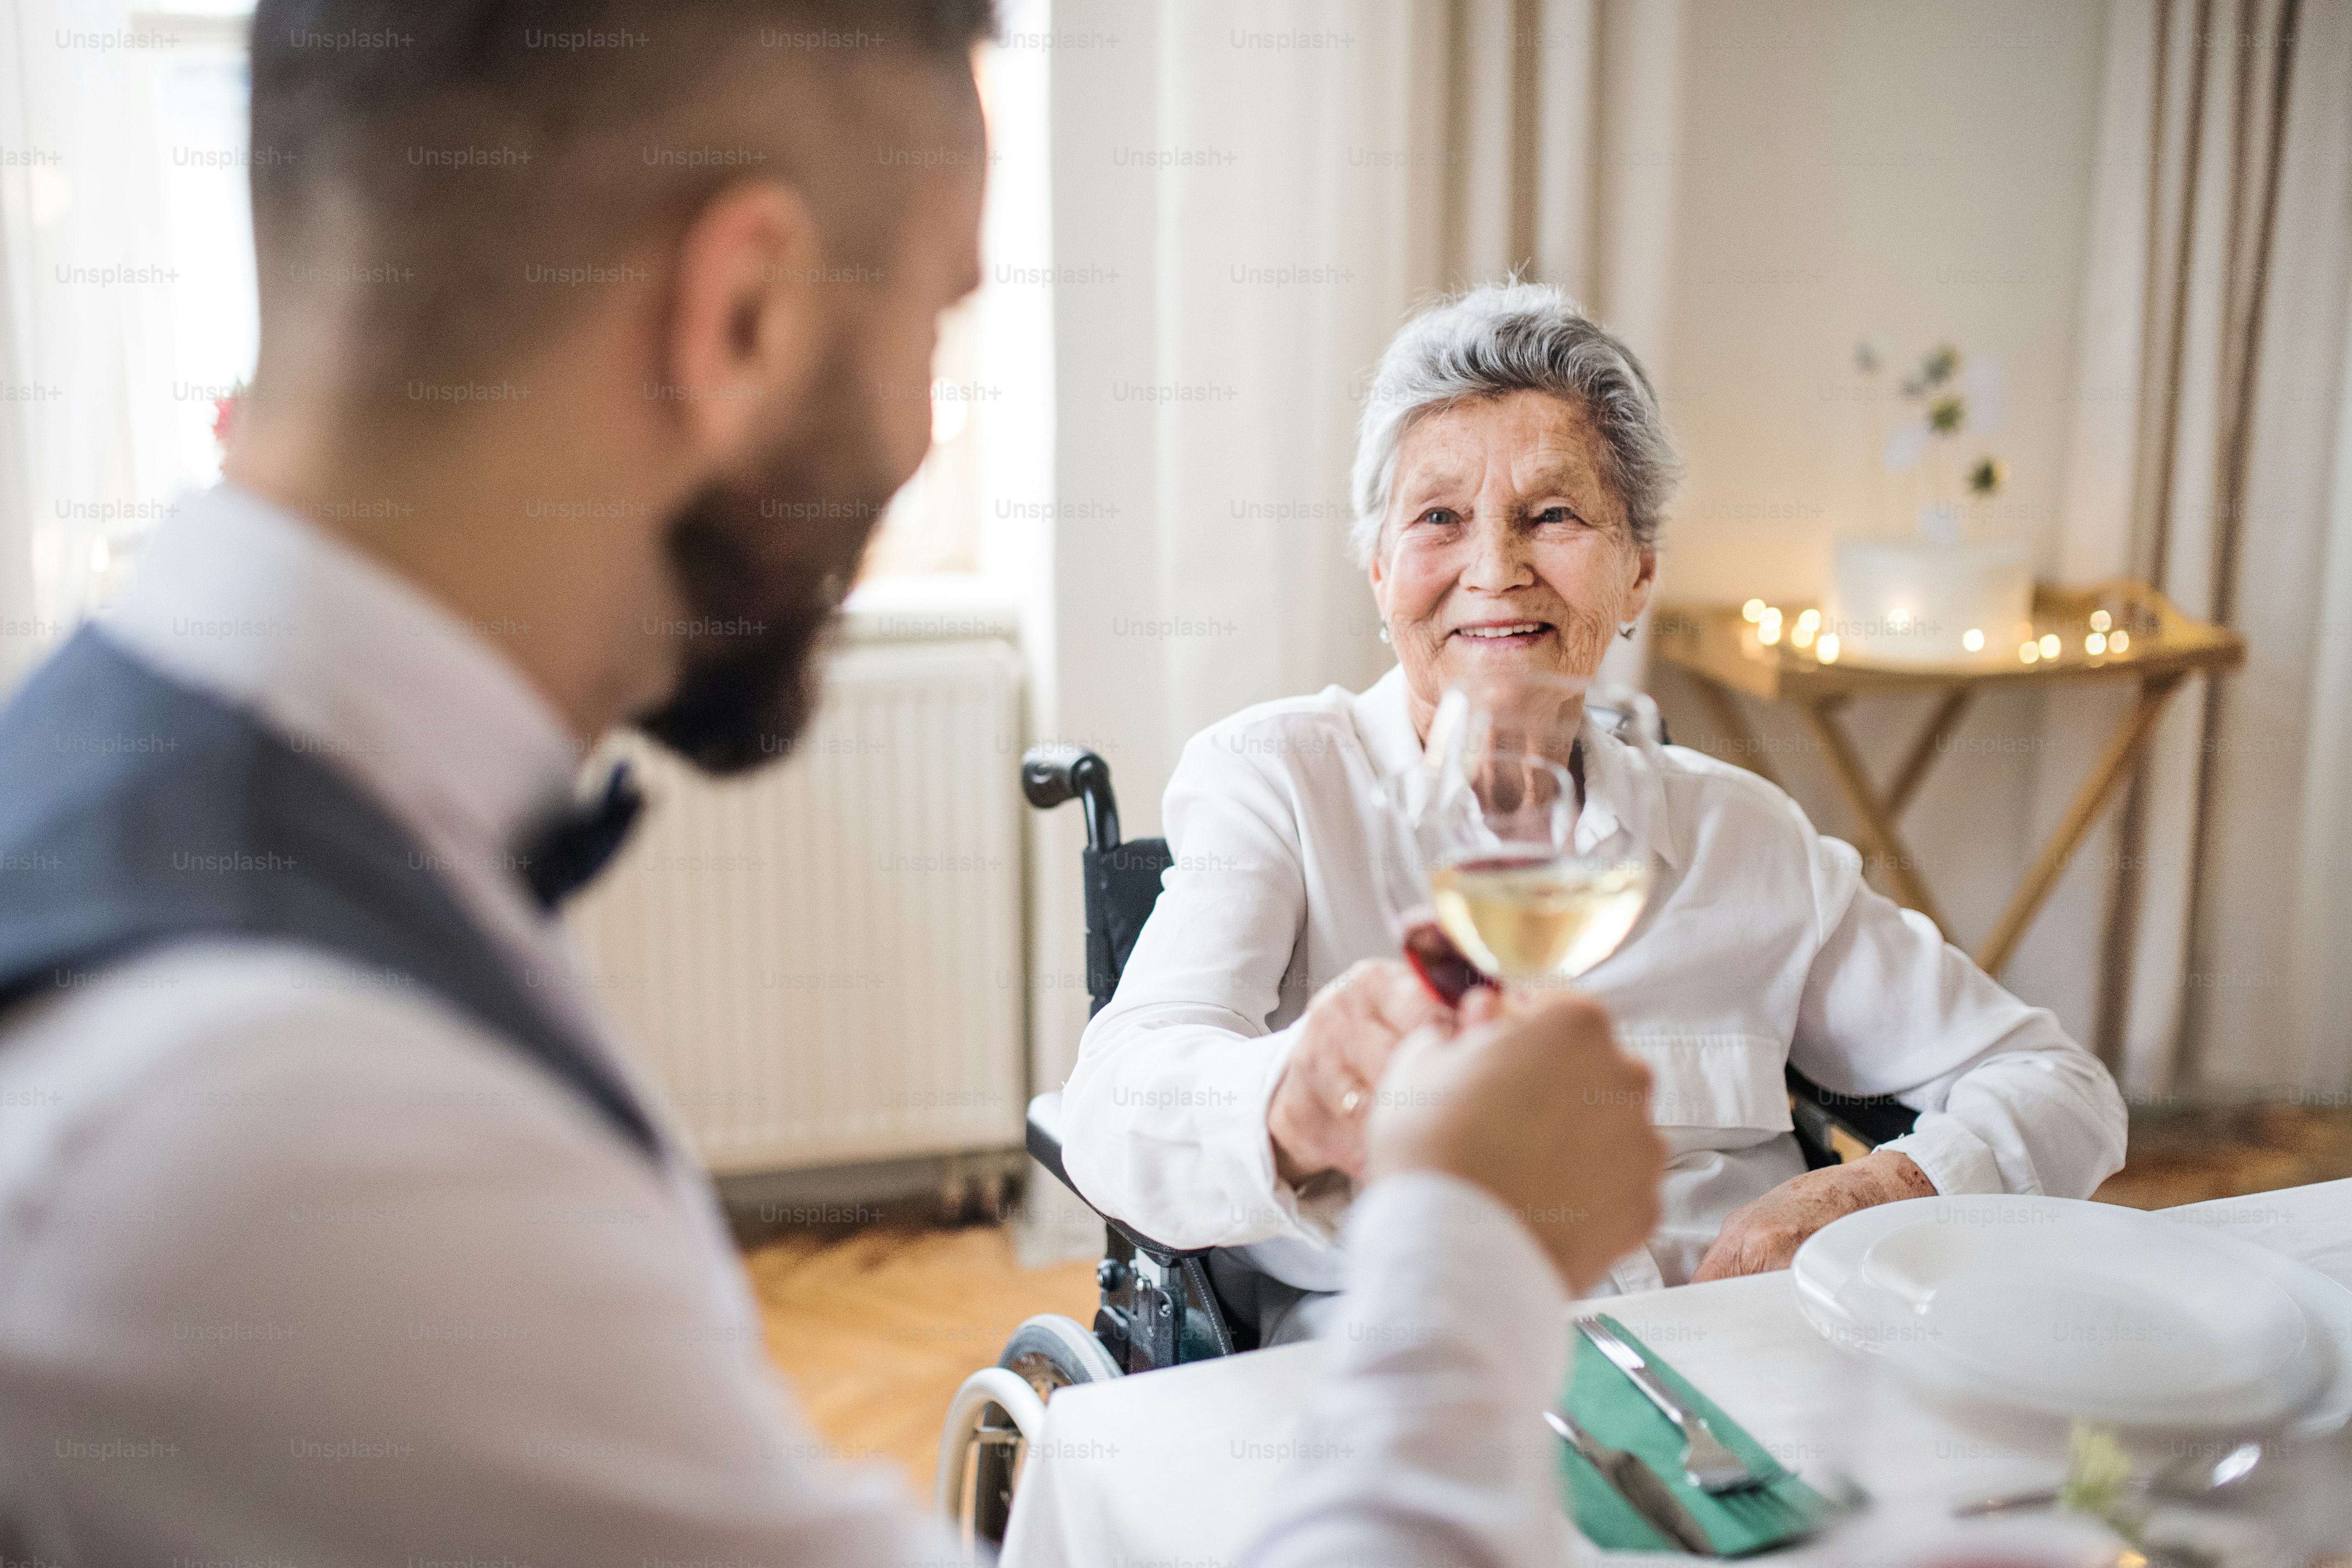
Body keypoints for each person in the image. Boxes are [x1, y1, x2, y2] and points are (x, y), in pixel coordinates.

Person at [0, 5, 1667, 1565]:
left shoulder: (201, 833)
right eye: (931, 323)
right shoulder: (275, 1108)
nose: (923, 434)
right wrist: (1474, 1256)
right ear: (744, 315)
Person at [1062, 283, 2129, 1340]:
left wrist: (1877, 1191)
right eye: (1440, 517)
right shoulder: (1277, 782)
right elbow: (1114, 1110)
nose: (1495, 569)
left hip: (1741, 1374)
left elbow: (2060, 1086)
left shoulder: (1742, 836)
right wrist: (1290, 1100)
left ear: (1636, 575)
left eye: (1554, 515)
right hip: (1422, 1391)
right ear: (1381, 569)